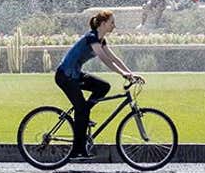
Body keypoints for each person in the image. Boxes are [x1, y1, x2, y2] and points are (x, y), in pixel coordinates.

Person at [55, 10, 141, 159]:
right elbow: (104, 59)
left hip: (74, 75)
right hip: (65, 76)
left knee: (103, 87)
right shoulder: (92, 37)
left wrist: (131, 74)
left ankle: (83, 115)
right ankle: (77, 151)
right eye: (112, 22)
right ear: (102, 24)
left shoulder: (101, 40)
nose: (114, 26)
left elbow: (115, 59)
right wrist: (123, 74)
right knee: (81, 109)